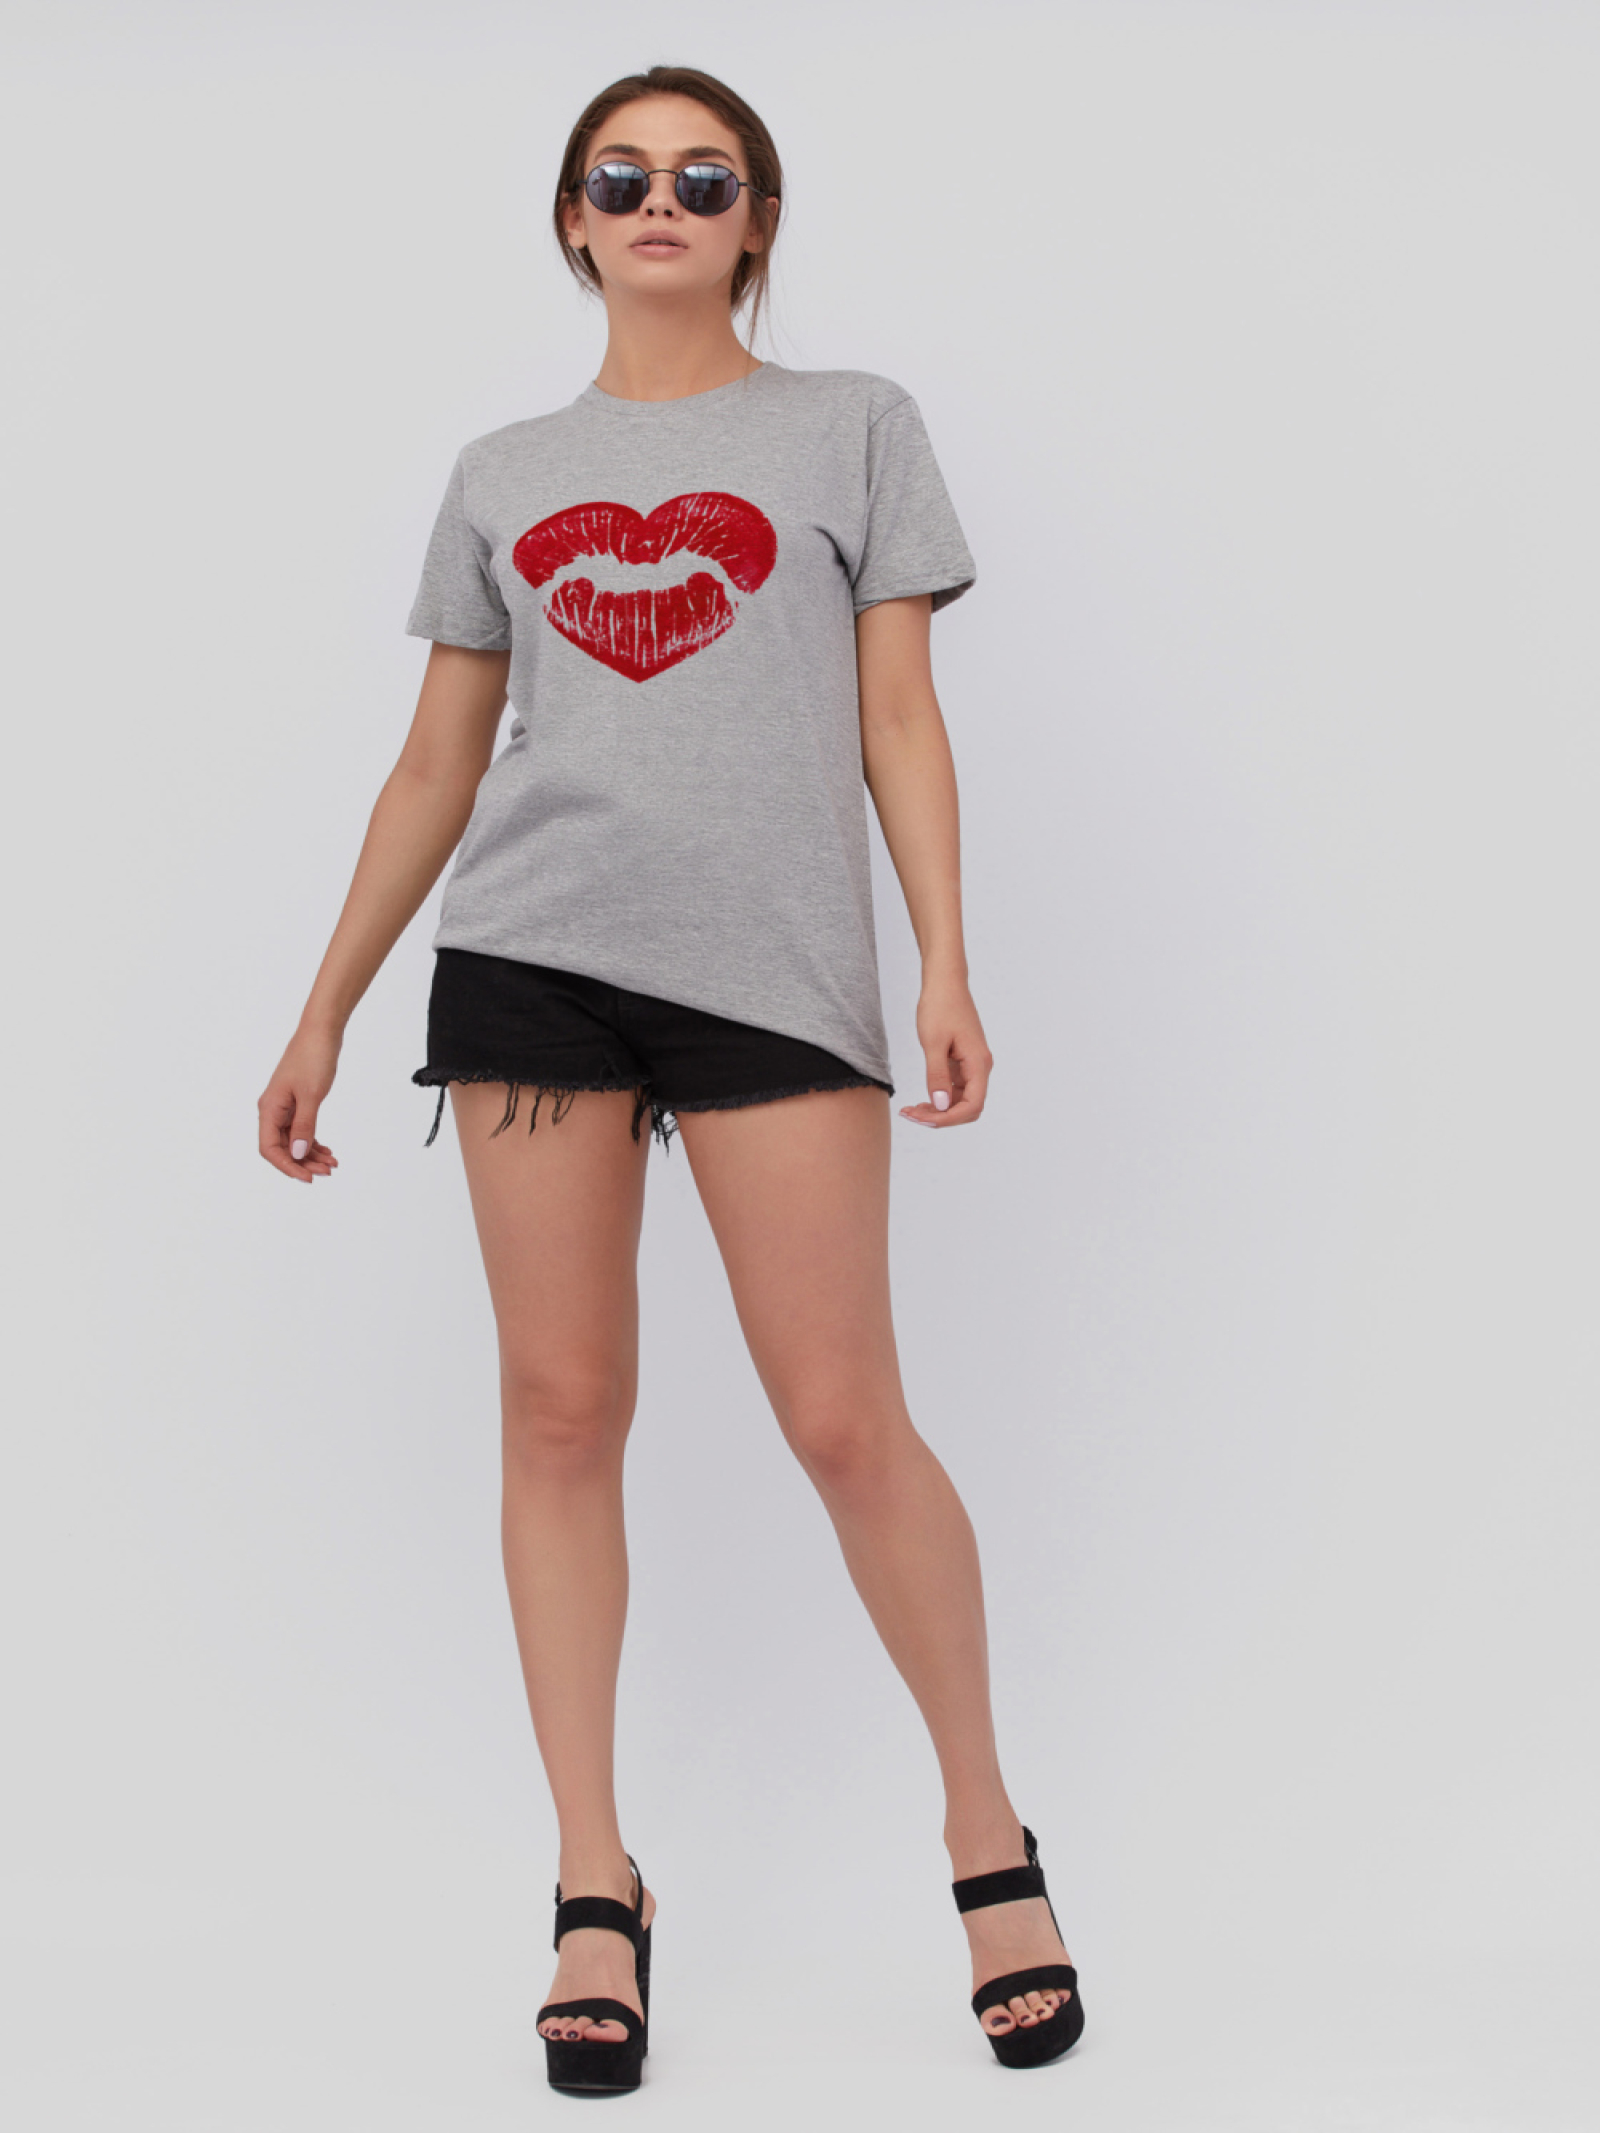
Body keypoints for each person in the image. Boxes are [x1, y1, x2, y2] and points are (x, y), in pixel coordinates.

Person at [256, 63, 1084, 2095]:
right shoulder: (503, 470)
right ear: (569, 217)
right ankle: (592, 1880)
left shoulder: (853, 425)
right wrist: (325, 1006)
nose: (658, 200)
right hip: (528, 962)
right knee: (560, 1407)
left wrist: (943, 953)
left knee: (841, 1414)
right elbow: (439, 758)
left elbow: (900, 714)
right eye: (618, 175)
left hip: (773, 974)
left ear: (754, 220)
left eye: (703, 179)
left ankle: (986, 1828)